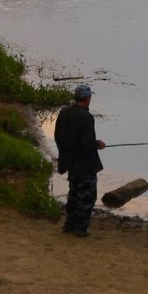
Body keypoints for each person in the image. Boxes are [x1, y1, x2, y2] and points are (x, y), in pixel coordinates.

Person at [54, 84, 105, 237]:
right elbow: (87, 143)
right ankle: (81, 228)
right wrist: (98, 144)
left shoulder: (64, 112)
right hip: (85, 163)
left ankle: (69, 225)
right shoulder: (86, 117)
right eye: (90, 97)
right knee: (87, 196)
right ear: (87, 99)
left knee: (74, 194)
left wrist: (65, 153)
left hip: (70, 161)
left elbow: (58, 136)